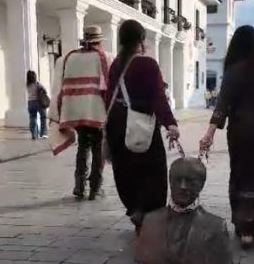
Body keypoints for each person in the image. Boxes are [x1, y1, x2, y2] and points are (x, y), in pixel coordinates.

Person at [200, 25, 254, 248]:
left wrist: (209, 133)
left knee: (242, 177)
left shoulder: (234, 70)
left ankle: (245, 229)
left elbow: (223, 104)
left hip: (242, 133)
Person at [106, 20, 179, 232]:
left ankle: (135, 208)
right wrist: (170, 124)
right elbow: (158, 97)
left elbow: (109, 95)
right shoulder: (148, 64)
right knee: (151, 170)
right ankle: (147, 213)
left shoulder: (116, 64)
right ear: (141, 39)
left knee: (125, 169)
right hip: (142, 123)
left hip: (117, 123)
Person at [133, 157, 232, 264]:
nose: (183, 186)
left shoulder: (217, 227)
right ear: (170, 181)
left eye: (190, 181)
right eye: (178, 180)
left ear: (202, 184)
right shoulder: (150, 221)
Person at [51, 25, 112, 200]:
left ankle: (79, 186)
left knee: (83, 148)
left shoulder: (69, 58)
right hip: (97, 113)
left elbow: (59, 86)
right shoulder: (106, 58)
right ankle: (95, 188)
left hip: (75, 113)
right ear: (99, 42)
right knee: (98, 150)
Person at [26, 70, 49, 140]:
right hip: (39, 102)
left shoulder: (27, 85)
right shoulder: (37, 84)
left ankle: (34, 134)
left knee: (32, 118)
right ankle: (43, 134)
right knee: (43, 117)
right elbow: (45, 91)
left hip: (30, 103)